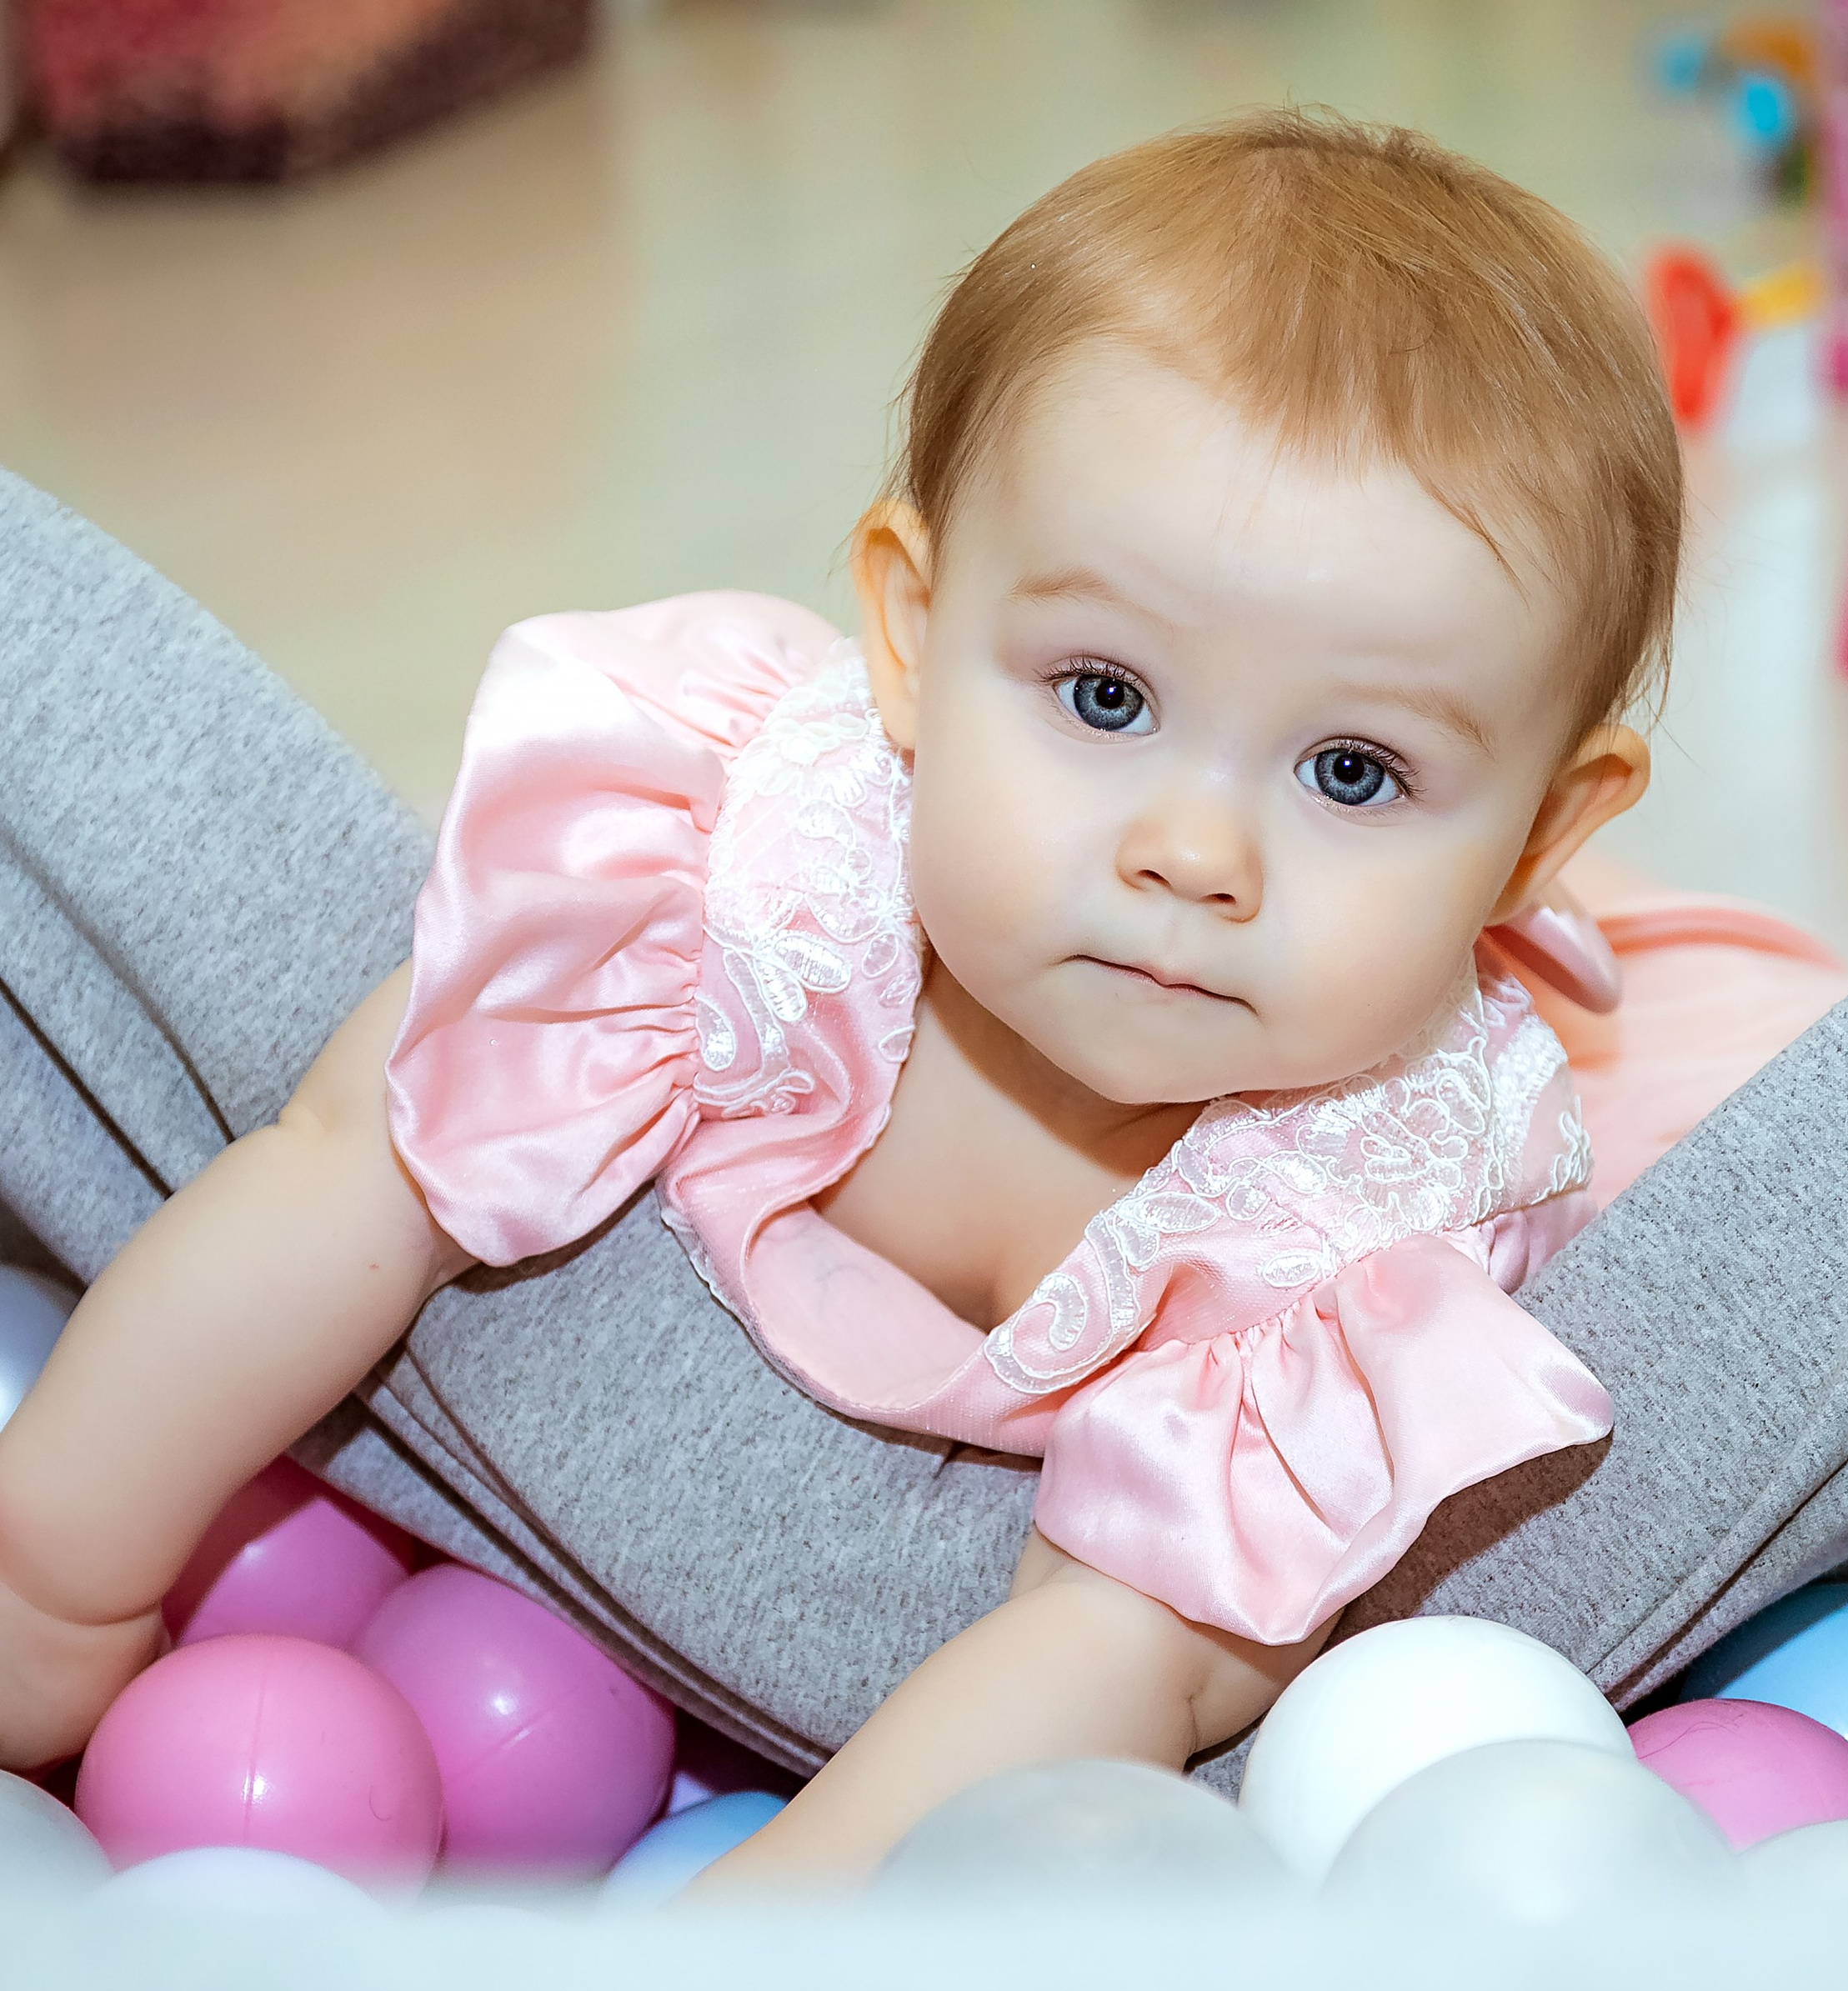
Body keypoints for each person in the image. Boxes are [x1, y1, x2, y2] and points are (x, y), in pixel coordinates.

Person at [0, 113, 1686, 1872]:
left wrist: (759, 1959)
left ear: (1533, 839)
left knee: (1189, 1630)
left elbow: (1120, 1651)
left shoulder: (1369, 1206)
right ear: (905, 631)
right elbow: (357, 1153)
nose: (1195, 852)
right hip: (571, 1369)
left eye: (1350, 772)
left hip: (912, 1680)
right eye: (1103, 695)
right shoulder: (744, 872)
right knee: (401, 1094)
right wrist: (51, 1573)